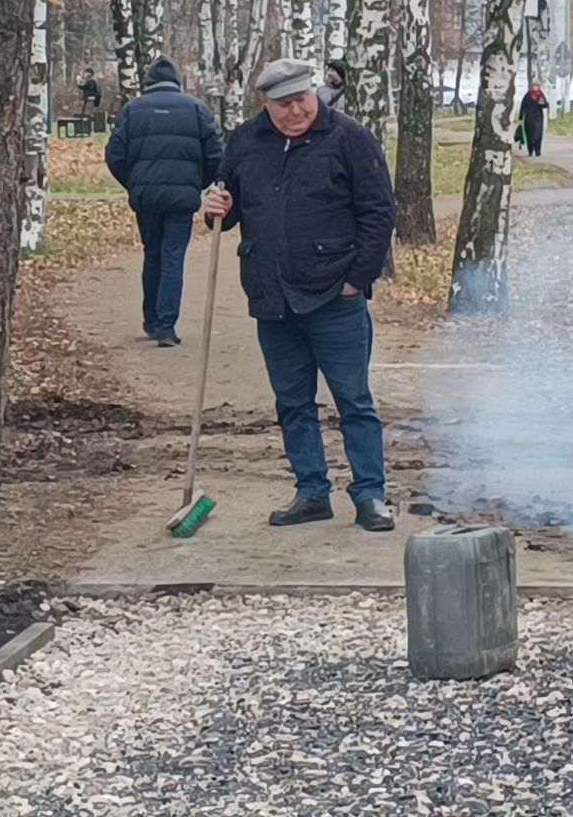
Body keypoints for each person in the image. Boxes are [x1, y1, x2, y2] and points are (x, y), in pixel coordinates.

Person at [201, 57, 398, 532]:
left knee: (354, 400)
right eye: (283, 104)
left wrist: (357, 278)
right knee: (292, 402)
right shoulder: (246, 141)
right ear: (265, 104)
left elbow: (379, 212)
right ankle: (311, 491)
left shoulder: (349, 138)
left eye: (301, 100)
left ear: (314, 94)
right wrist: (214, 207)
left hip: (336, 294)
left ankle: (371, 495)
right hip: (272, 296)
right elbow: (226, 210)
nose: (295, 111)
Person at [105, 56, 224, 348]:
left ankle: (151, 320)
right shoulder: (197, 109)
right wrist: (199, 184)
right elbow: (216, 155)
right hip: (182, 198)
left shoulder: (133, 110)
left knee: (153, 253)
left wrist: (134, 183)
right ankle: (166, 326)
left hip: (146, 197)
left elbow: (115, 155)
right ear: (177, 82)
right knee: (173, 258)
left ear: (148, 84)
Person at [519, 82, 548, 157]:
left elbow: (544, 105)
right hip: (535, 118)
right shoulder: (536, 94)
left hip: (533, 118)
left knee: (532, 135)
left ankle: (534, 151)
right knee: (534, 135)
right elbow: (545, 105)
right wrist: (520, 116)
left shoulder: (530, 95)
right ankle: (534, 151)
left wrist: (521, 116)